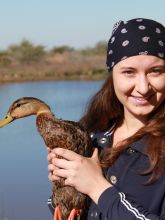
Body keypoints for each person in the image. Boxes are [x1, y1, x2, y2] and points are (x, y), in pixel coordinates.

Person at [47, 18, 165, 219]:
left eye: (156, 71)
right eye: (129, 72)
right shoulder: (93, 133)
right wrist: (63, 186)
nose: (143, 87)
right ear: (113, 75)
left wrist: (96, 187)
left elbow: (97, 191)